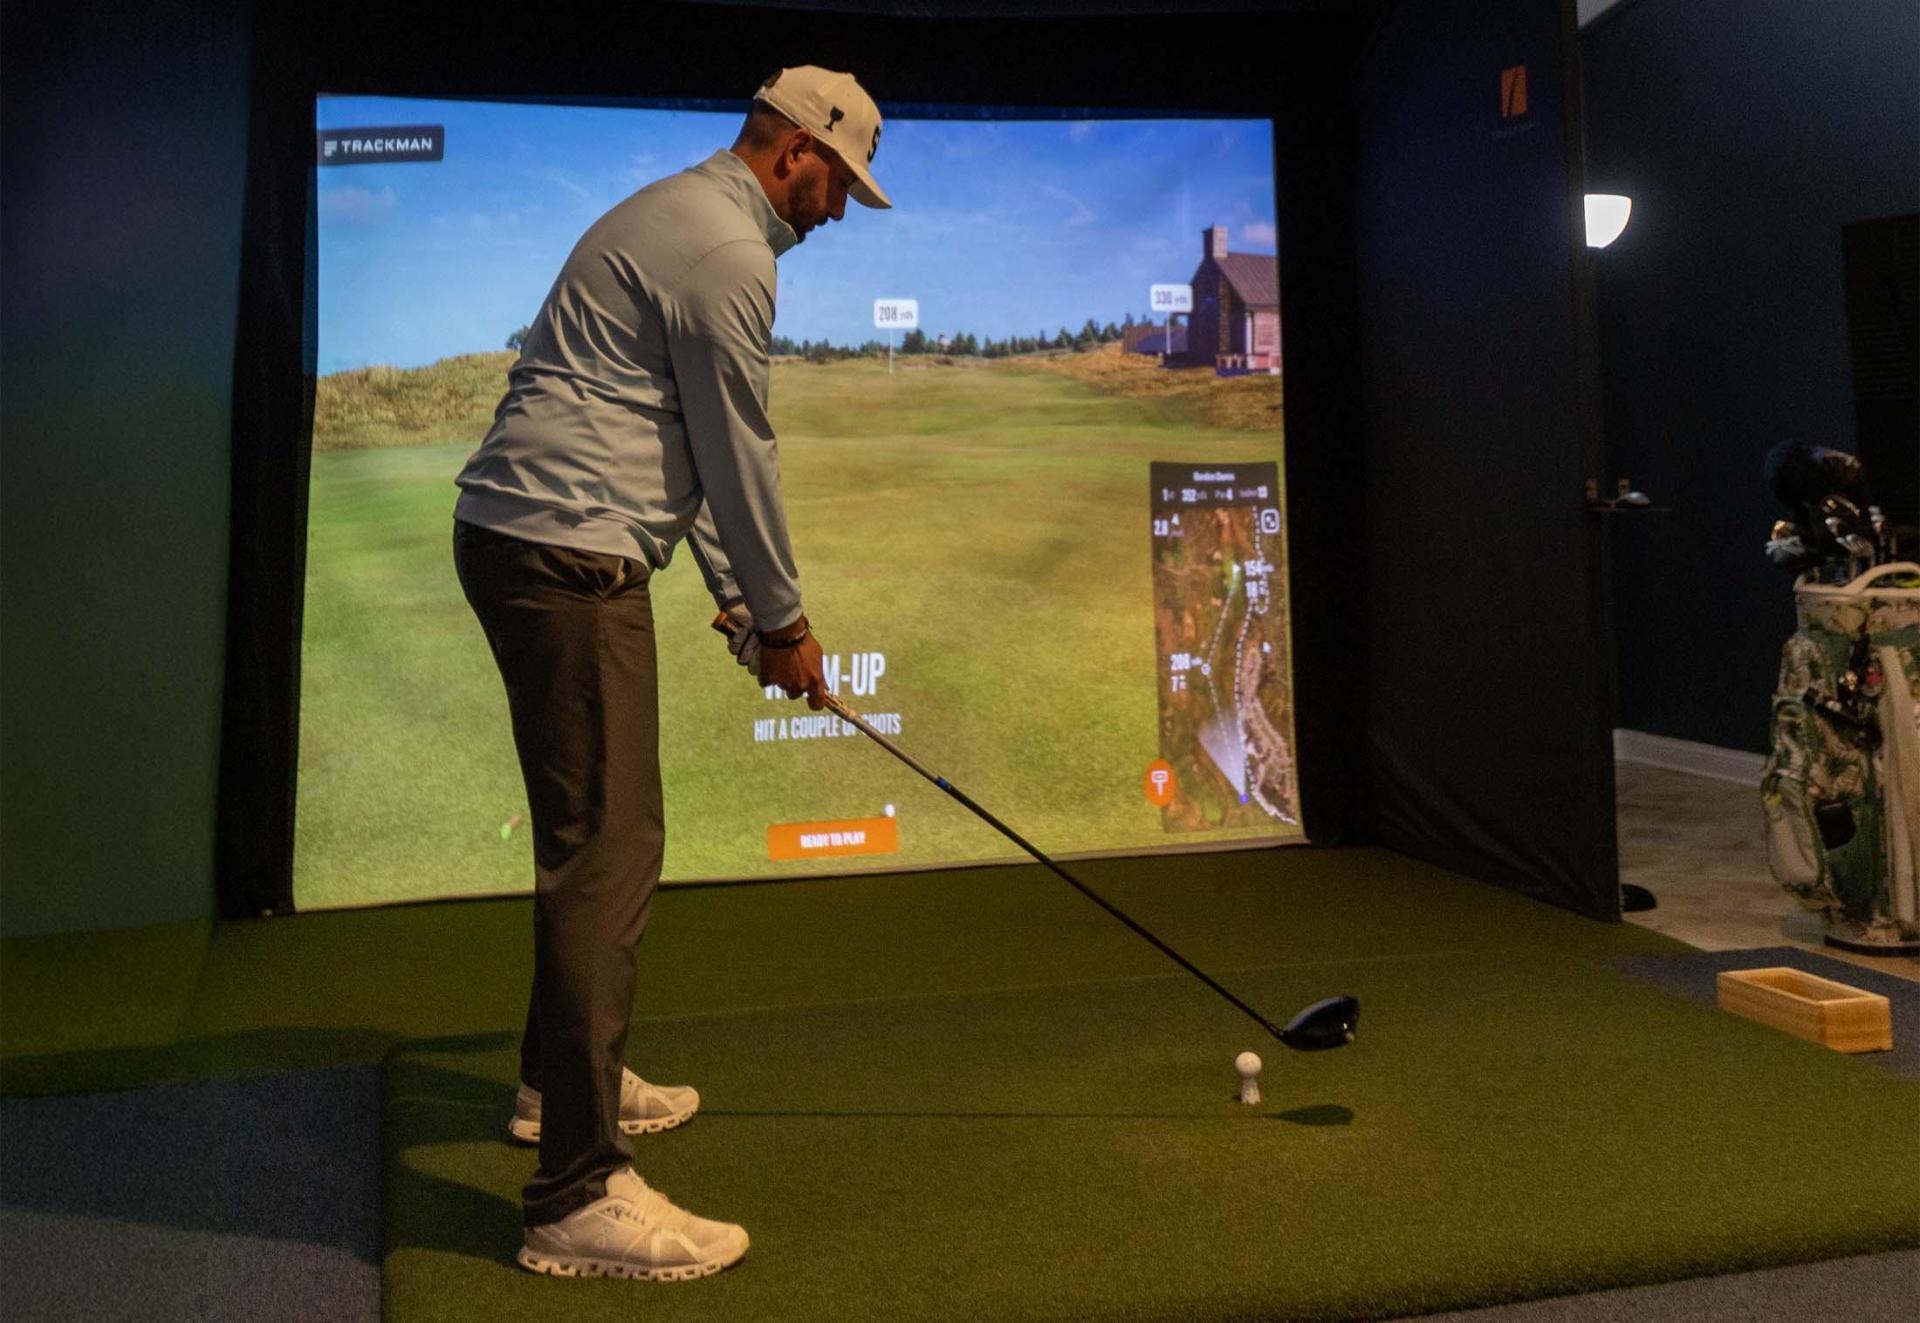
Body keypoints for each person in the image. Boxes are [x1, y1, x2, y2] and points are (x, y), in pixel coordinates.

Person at [448, 66, 891, 1282]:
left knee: (592, 838)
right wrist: (790, 625)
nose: (840, 211)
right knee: (611, 850)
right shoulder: (726, 253)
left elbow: (681, 438)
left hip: (532, 533)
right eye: (840, 183)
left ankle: (556, 1086)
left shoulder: (679, 216)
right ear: (795, 148)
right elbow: (740, 451)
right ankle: (576, 1194)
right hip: (565, 552)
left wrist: (744, 606)